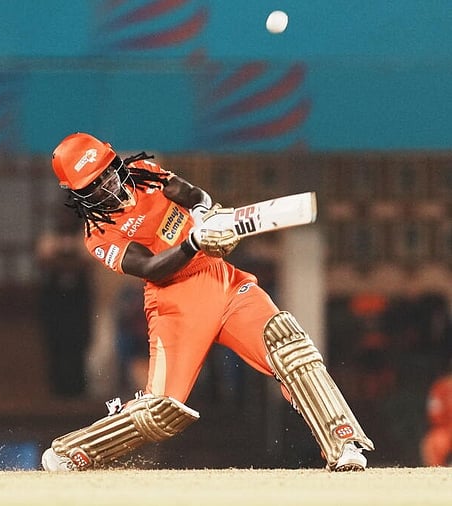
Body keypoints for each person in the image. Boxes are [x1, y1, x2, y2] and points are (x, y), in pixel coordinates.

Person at [39, 132, 373, 472]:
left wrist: (203, 213)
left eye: (108, 172)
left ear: (114, 162)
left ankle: (343, 443)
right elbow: (151, 268)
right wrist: (194, 241)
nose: (108, 186)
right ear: (78, 196)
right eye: (94, 186)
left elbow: (191, 193)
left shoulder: (142, 172)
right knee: (161, 411)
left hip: (221, 279)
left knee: (288, 346)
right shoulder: (98, 236)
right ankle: (72, 452)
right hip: (175, 303)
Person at [35, 207, 93, 397]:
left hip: (77, 300)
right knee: (56, 343)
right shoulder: (49, 238)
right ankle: (57, 389)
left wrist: (60, 263)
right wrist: (69, 264)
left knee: (77, 343)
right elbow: (44, 262)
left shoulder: (85, 237)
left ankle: (78, 389)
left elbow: (87, 263)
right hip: (55, 300)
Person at [421, 361, 452, 466]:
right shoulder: (440, 387)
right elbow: (433, 414)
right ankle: (437, 472)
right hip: (445, 429)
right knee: (433, 443)